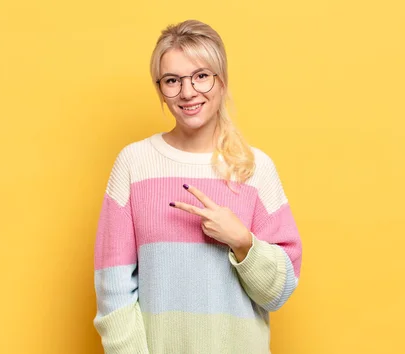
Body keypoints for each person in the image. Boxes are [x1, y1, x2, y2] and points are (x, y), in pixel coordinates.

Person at [93, 19, 302, 354]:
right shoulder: (134, 164)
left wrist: (243, 241)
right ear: (160, 88)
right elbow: (112, 290)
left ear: (221, 80)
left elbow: (279, 291)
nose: (188, 92)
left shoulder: (255, 169)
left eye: (201, 76)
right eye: (172, 81)